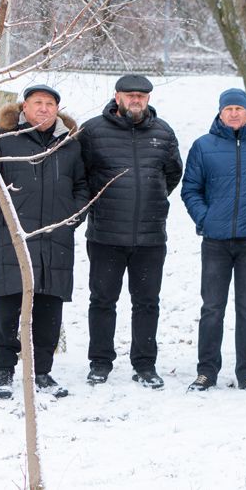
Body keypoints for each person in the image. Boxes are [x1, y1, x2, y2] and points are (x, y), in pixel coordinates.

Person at [0, 85, 88, 400]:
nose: (45, 109)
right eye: (38, 103)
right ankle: (4, 372)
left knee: (50, 309)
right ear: (25, 107)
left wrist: (72, 217)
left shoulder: (70, 145)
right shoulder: (2, 138)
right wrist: (3, 212)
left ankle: (43, 373)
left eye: (50, 104)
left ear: (57, 109)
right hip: (15, 237)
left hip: (56, 238)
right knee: (9, 308)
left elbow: (82, 185)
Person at [81, 74, 183, 389]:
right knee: (102, 301)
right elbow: (81, 176)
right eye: (130, 95)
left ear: (148, 99)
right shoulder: (93, 131)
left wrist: (149, 200)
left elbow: (172, 175)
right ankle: (100, 363)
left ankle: (145, 365)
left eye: (141, 95)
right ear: (117, 96)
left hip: (150, 237)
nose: (135, 100)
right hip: (106, 235)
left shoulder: (163, 132)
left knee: (147, 303)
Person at [181, 88, 246, 393]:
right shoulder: (203, 146)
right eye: (228, 108)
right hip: (216, 242)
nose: (234, 113)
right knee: (212, 308)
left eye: (239, 108)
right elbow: (190, 189)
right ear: (220, 113)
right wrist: (205, 218)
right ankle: (206, 371)